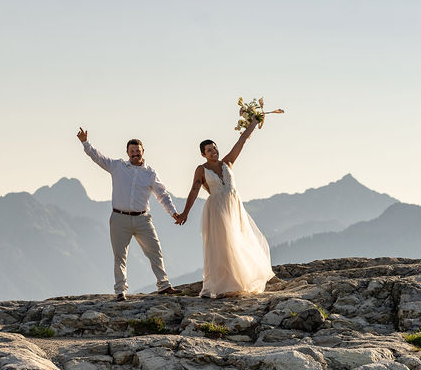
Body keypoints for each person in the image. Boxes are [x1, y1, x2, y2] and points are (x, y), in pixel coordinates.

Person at [77, 127, 181, 301]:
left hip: (143, 219)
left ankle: (164, 285)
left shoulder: (150, 173)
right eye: (132, 151)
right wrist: (85, 142)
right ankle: (120, 291)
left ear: (143, 152)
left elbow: (162, 194)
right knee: (119, 255)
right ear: (127, 152)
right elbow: (97, 157)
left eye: (137, 151)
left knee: (155, 251)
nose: (135, 154)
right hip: (119, 218)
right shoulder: (117, 166)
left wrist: (173, 212)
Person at [175, 117, 274, 298]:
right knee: (222, 245)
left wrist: (253, 122)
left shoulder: (228, 162)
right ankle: (225, 284)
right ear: (203, 154)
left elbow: (241, 141)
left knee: (238, 240)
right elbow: (194, 190)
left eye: (214, 148)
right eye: (209, 150)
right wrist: (184, 213)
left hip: (234, 207)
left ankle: (240, 279)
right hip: (217, 209)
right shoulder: (201, 169)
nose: (214, 152)